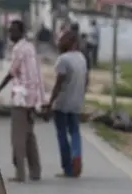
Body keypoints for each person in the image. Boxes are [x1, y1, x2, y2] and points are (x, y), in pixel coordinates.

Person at [0, 20, 45, 182]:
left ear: (21, 32)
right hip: (32, 98)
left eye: (13, 31)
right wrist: (41, 99)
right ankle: (35, 171)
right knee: (29, 135)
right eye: (9, 31)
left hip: (21, 98)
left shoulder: (19, 49)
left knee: (18, 137)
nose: (10, 34)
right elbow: (38, 75)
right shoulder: (30, 47)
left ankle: (20, 173)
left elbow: (12, 72)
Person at [43, 30, 88, 178]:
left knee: (62, 134)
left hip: (62, 103)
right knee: (75, 132)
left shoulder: (63, 60)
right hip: (76, 101)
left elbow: (58, 84)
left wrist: (50, 103)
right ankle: (77, 158)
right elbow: (86, 80)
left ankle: (68, 168)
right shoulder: (82, 58)